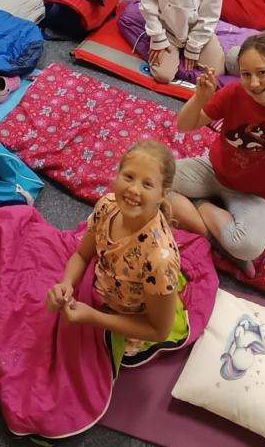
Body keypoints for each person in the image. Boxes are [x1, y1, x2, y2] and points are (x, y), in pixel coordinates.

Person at [167, 33, 265, 272]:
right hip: (211, 170)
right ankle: (208, 230)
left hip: (251, 194)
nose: (254, 83)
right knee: (153, 177)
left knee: (248, 246)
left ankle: (201, 206)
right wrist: (199, 98)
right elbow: (184, 125)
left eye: (262, 72)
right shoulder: (235, 92)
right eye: (246, 74)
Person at [46, 140, 183, 346]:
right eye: (128, 177)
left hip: (128, 322)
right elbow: (82, 255)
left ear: (163, 193)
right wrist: (67, 284)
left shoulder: (159, 260)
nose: (134, 189)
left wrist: (93, 317)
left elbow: (159, 331)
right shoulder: (106, 206)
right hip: (96, 293)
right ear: (117, 174)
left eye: (147, 184)